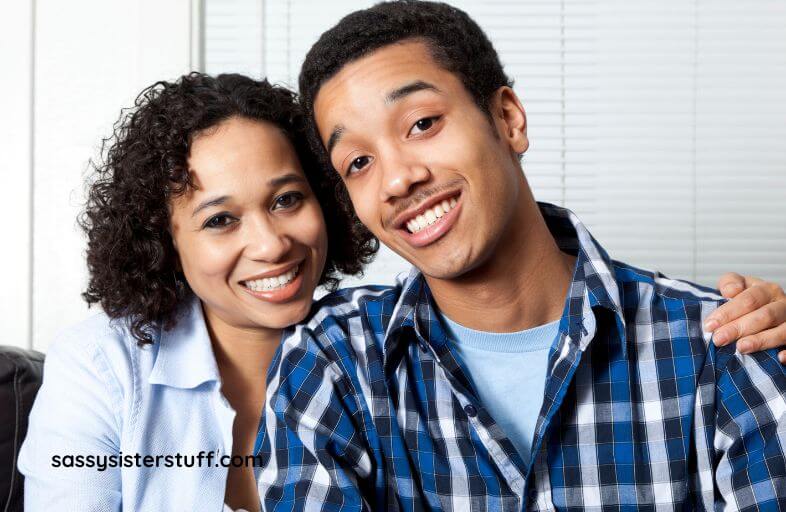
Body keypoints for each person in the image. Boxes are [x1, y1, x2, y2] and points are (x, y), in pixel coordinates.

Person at [256, 2, 786, 510]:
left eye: (422, 124)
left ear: (508, 119)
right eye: (359, 162)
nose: (397, 179)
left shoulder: (723, 344)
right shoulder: (334, 363)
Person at [17, 73, 375, 511]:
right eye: (220, 220)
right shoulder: (99, 366)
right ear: (163, 241)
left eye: (286, 199)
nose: (272, 244)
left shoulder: (379, 348)